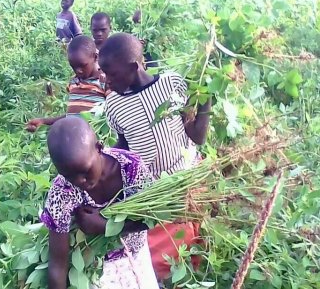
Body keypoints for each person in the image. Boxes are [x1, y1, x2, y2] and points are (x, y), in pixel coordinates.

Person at [99, 32, 211, 281]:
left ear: (133, 66)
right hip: (154, 191)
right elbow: (124, 148)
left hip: (187, 177)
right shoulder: (114, 105)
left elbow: (197, 136)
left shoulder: (172, 85)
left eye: (112, 74)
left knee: (194, 241)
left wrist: (206, 99)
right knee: (159, 254)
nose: (107, 81)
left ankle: (191, 276)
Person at [42, 116, 158, 289]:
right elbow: (57, 266)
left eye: (85, 171)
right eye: (69, 175)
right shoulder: (62, 192)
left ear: (99, 148)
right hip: (98, 268)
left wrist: (104, 226)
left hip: (136, 254)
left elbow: (154, 217)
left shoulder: (131, 167)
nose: (80, 181)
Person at [26, 36, 106, 132]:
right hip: (74, 138)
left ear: (95, 57)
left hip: (97, 140)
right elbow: (71, 116)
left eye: (82, 66)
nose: (78, 71)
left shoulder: (105, 80)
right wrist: (43, 121)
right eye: (73, 66)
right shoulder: (73, 83)